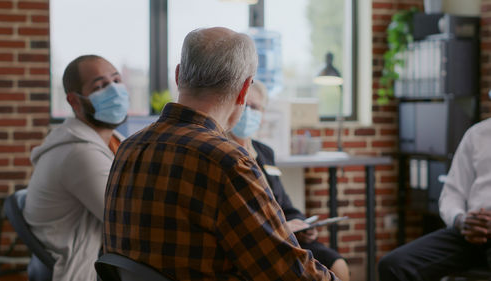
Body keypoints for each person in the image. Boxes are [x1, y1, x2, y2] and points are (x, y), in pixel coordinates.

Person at [104, 27, 336, 280]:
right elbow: (289, 273)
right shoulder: (227, 162)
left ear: (178, 75)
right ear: (244, 90)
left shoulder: (127, 148)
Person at [229, 80, 350, 281]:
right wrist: (283, 228)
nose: (248, 112)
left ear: (263, 114)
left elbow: (284, 204)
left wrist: (303, 225)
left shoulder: (265, 153)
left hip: (290, 236)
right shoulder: (225, 154)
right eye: (244, 105)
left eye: (255, 107)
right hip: (263, 240)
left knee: (338, 265)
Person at [23, 55, 129, 281]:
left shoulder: (109, 140)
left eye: (117, 81)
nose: (114, 90)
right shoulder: (79, 153)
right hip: (82, 264)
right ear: (74, 101)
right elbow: (126, 220)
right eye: (100, 86)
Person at [378, 118, 491, 280]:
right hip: (469, 233)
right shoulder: (477, 134)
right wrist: (461, 219)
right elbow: (451, 194)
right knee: (393, 265)